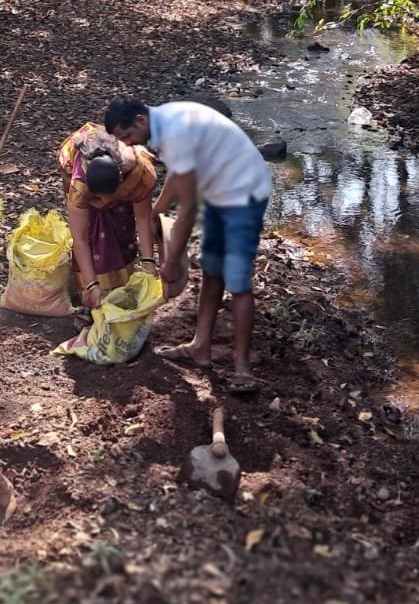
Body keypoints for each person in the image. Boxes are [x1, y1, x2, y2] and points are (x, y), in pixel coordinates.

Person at [105, 98, 273, 396]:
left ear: (141, 121)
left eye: (128, 136)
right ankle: (200, 347)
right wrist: (156, 210)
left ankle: (242, 368)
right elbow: (180, 175)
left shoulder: (174, 131)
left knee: (237, 282)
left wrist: (170, 261)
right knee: (212, 271)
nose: (130, 144)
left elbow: (187, 210)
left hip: (244, 193)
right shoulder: (164, 124)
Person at [56, 122, 158, 309]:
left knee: (121, 227)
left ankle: (122, 281)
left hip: (119, 176)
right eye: (98, 197)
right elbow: (79, 238)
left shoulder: (138, 172)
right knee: (93, 233)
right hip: (81, 171)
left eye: (109, 197)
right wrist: (92, 285)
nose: (104, 202)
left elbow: (142, 218)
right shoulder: (79, 186)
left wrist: (148, 261)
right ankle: (86, 294)